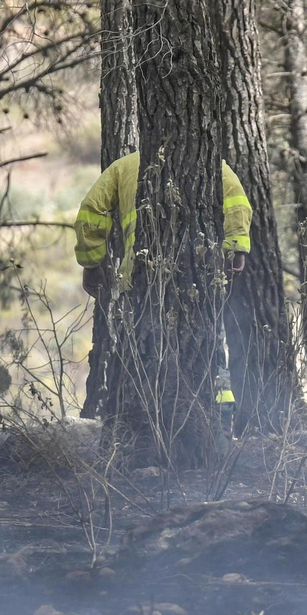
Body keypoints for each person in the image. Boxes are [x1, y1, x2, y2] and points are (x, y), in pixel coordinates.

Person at [73, 152, 251, 424]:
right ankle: (218, 423)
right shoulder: (211, 161)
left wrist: (92, 263)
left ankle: (143, 427)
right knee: (209, 351)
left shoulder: (124, 167)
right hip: (199, 280)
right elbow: (238, 203)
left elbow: (91, 210)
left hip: (141, 281)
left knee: (144, 355)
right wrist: (235, 249)